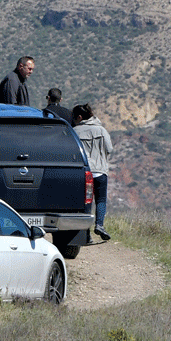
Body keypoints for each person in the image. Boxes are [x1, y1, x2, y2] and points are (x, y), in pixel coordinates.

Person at [72, 103, 113, 241]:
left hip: (85, 172)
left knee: (86, 201)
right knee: (100, 200)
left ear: (79, 117)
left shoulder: (75, 131)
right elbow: (110, 148)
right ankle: (99, 225)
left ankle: (86, 233)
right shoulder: (102, 130)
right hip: (101, 171)